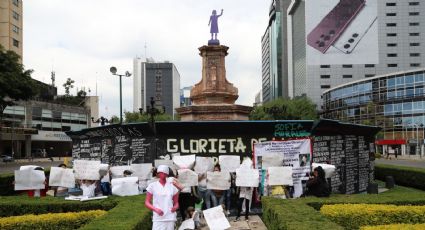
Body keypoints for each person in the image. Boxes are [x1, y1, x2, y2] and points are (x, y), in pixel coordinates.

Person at [145, 165, 179, 230]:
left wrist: (175, 207)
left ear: (167, 174)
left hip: (170, 217)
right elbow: (147, 202)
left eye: (164, 173)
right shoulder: (152, 186)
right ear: (158, 174)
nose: (163, 174)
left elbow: (176, 203)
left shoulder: (172, 187)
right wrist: (155, 209)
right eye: (161, 173)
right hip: (158, 218)